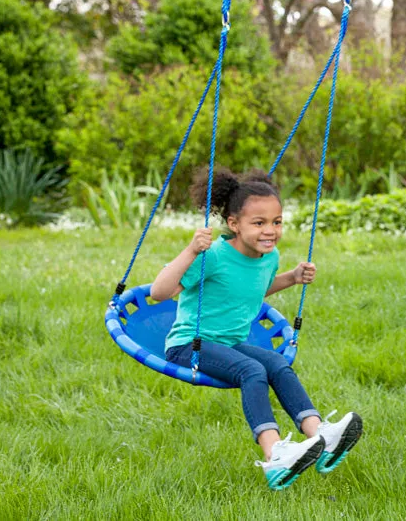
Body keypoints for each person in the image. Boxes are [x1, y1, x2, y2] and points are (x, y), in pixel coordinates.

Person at [150, 167, 362, 491]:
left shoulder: (269, 257)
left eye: (276, 222)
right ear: (234, 224)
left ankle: (321, 436)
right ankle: (275, 455)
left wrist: (290, 277)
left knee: (277, 363)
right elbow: (159, 292)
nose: (270, 231)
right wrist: (192, 250)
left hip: (230, 343)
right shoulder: (214, 256)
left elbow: (251, 289)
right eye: (259, 223)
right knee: (252, 370)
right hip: (189, 345)